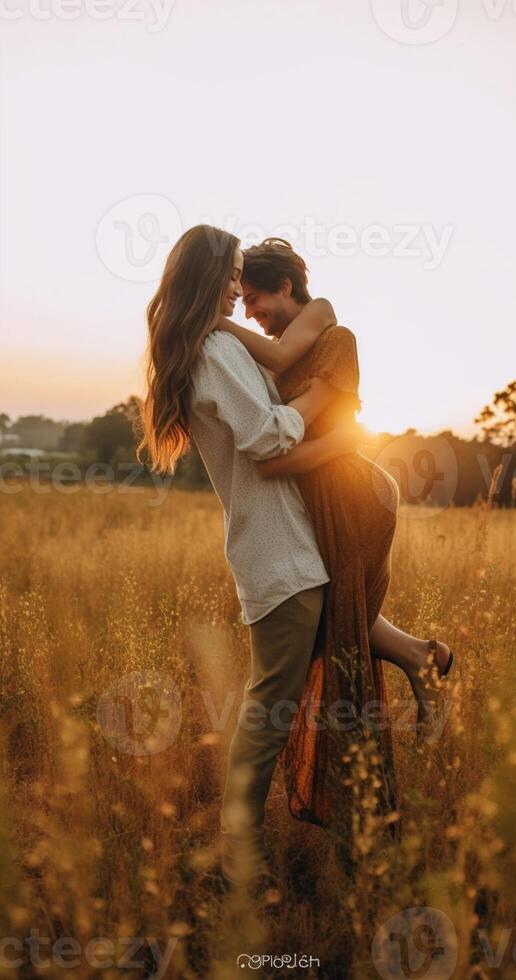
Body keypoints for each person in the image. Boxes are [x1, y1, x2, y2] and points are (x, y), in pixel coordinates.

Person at [136, 225, 367, 888]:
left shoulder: (210, 348)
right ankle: (242, 860)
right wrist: (317, 406)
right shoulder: (214, 349)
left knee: (300, 681)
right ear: (212, 277)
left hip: (285, 553)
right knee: (269, 717)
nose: (241, 289)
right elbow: (266, 440)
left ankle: (409, 651)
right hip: (281, 556)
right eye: (234, 274)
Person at [217, 238, 455, 848]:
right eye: (238, 303)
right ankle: (419, 655)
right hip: (323, 491)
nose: (249, 312)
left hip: (353, 490)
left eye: (253, 298)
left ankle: (416, 663)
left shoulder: (325, 322)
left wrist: (208, 320)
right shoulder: (285, 349)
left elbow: (346, 435)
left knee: (332, 608)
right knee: (331, 609)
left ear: (287, 288)